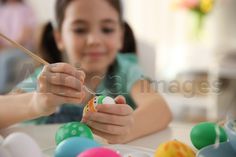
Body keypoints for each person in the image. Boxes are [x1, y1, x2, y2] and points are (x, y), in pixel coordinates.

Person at [12, 0, 172, 144]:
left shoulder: (125, 70)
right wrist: (35, 102)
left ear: (120, 37)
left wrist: (129, 128)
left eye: (107, 29)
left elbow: (160, 109)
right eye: (80, 30)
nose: (94, 40)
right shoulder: (47, 80)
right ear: (59, 37)